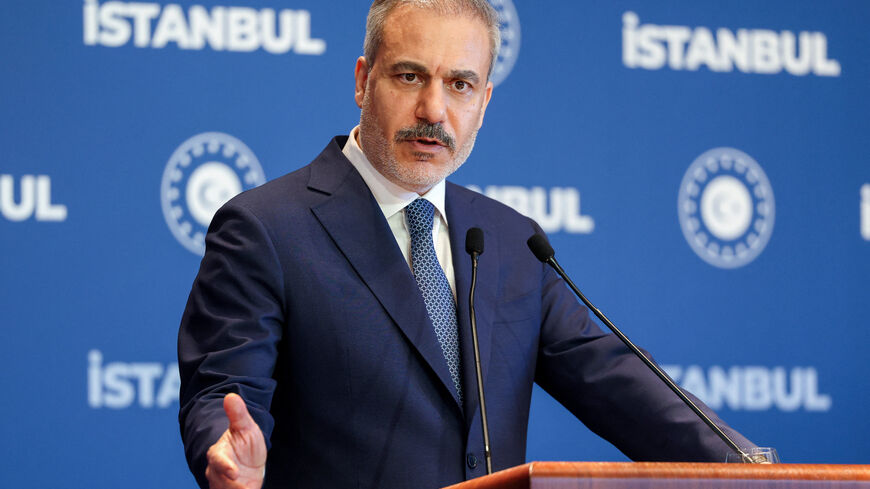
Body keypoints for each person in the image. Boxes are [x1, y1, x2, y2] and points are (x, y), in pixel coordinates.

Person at [178, 1, 754, 488]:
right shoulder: (268, 227)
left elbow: (612, 378)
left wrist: (746, 466)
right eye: (409, 76)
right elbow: (224, 390)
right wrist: (225, 452)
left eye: (460, 84)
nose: (434, 110)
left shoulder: (510, 240)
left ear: (484, 102)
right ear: (362, 80)